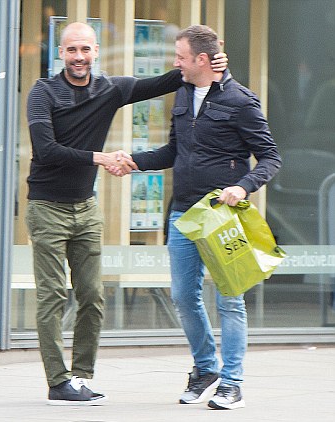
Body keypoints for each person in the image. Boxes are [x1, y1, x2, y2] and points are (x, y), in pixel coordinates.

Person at [25, 21, 228, 405]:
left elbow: (168, 80)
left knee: (92, 296)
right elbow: (46, 149)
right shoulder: (43, 92)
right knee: (52, 295)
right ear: (61, 53)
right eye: (71, 50)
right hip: (47, 207)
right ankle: (57, 381)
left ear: (96, 51)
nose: (79, 57)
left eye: (85, 50)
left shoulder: (110, 89)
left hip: (86, 208)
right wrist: (101, 158)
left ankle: (82, 377)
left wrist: (212, 62)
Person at [128, 25, 281, 410]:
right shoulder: (181, 93)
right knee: (183, 296)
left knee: (230, 300)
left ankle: (232, 383)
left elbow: (270, 157)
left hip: (222, 217)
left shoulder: (241, 101)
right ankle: (205, 368)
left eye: (180, 57)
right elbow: (173, 153)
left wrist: (243, 187)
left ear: (201, 59)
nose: (174, 63)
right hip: (183, 213)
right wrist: (133, 162)